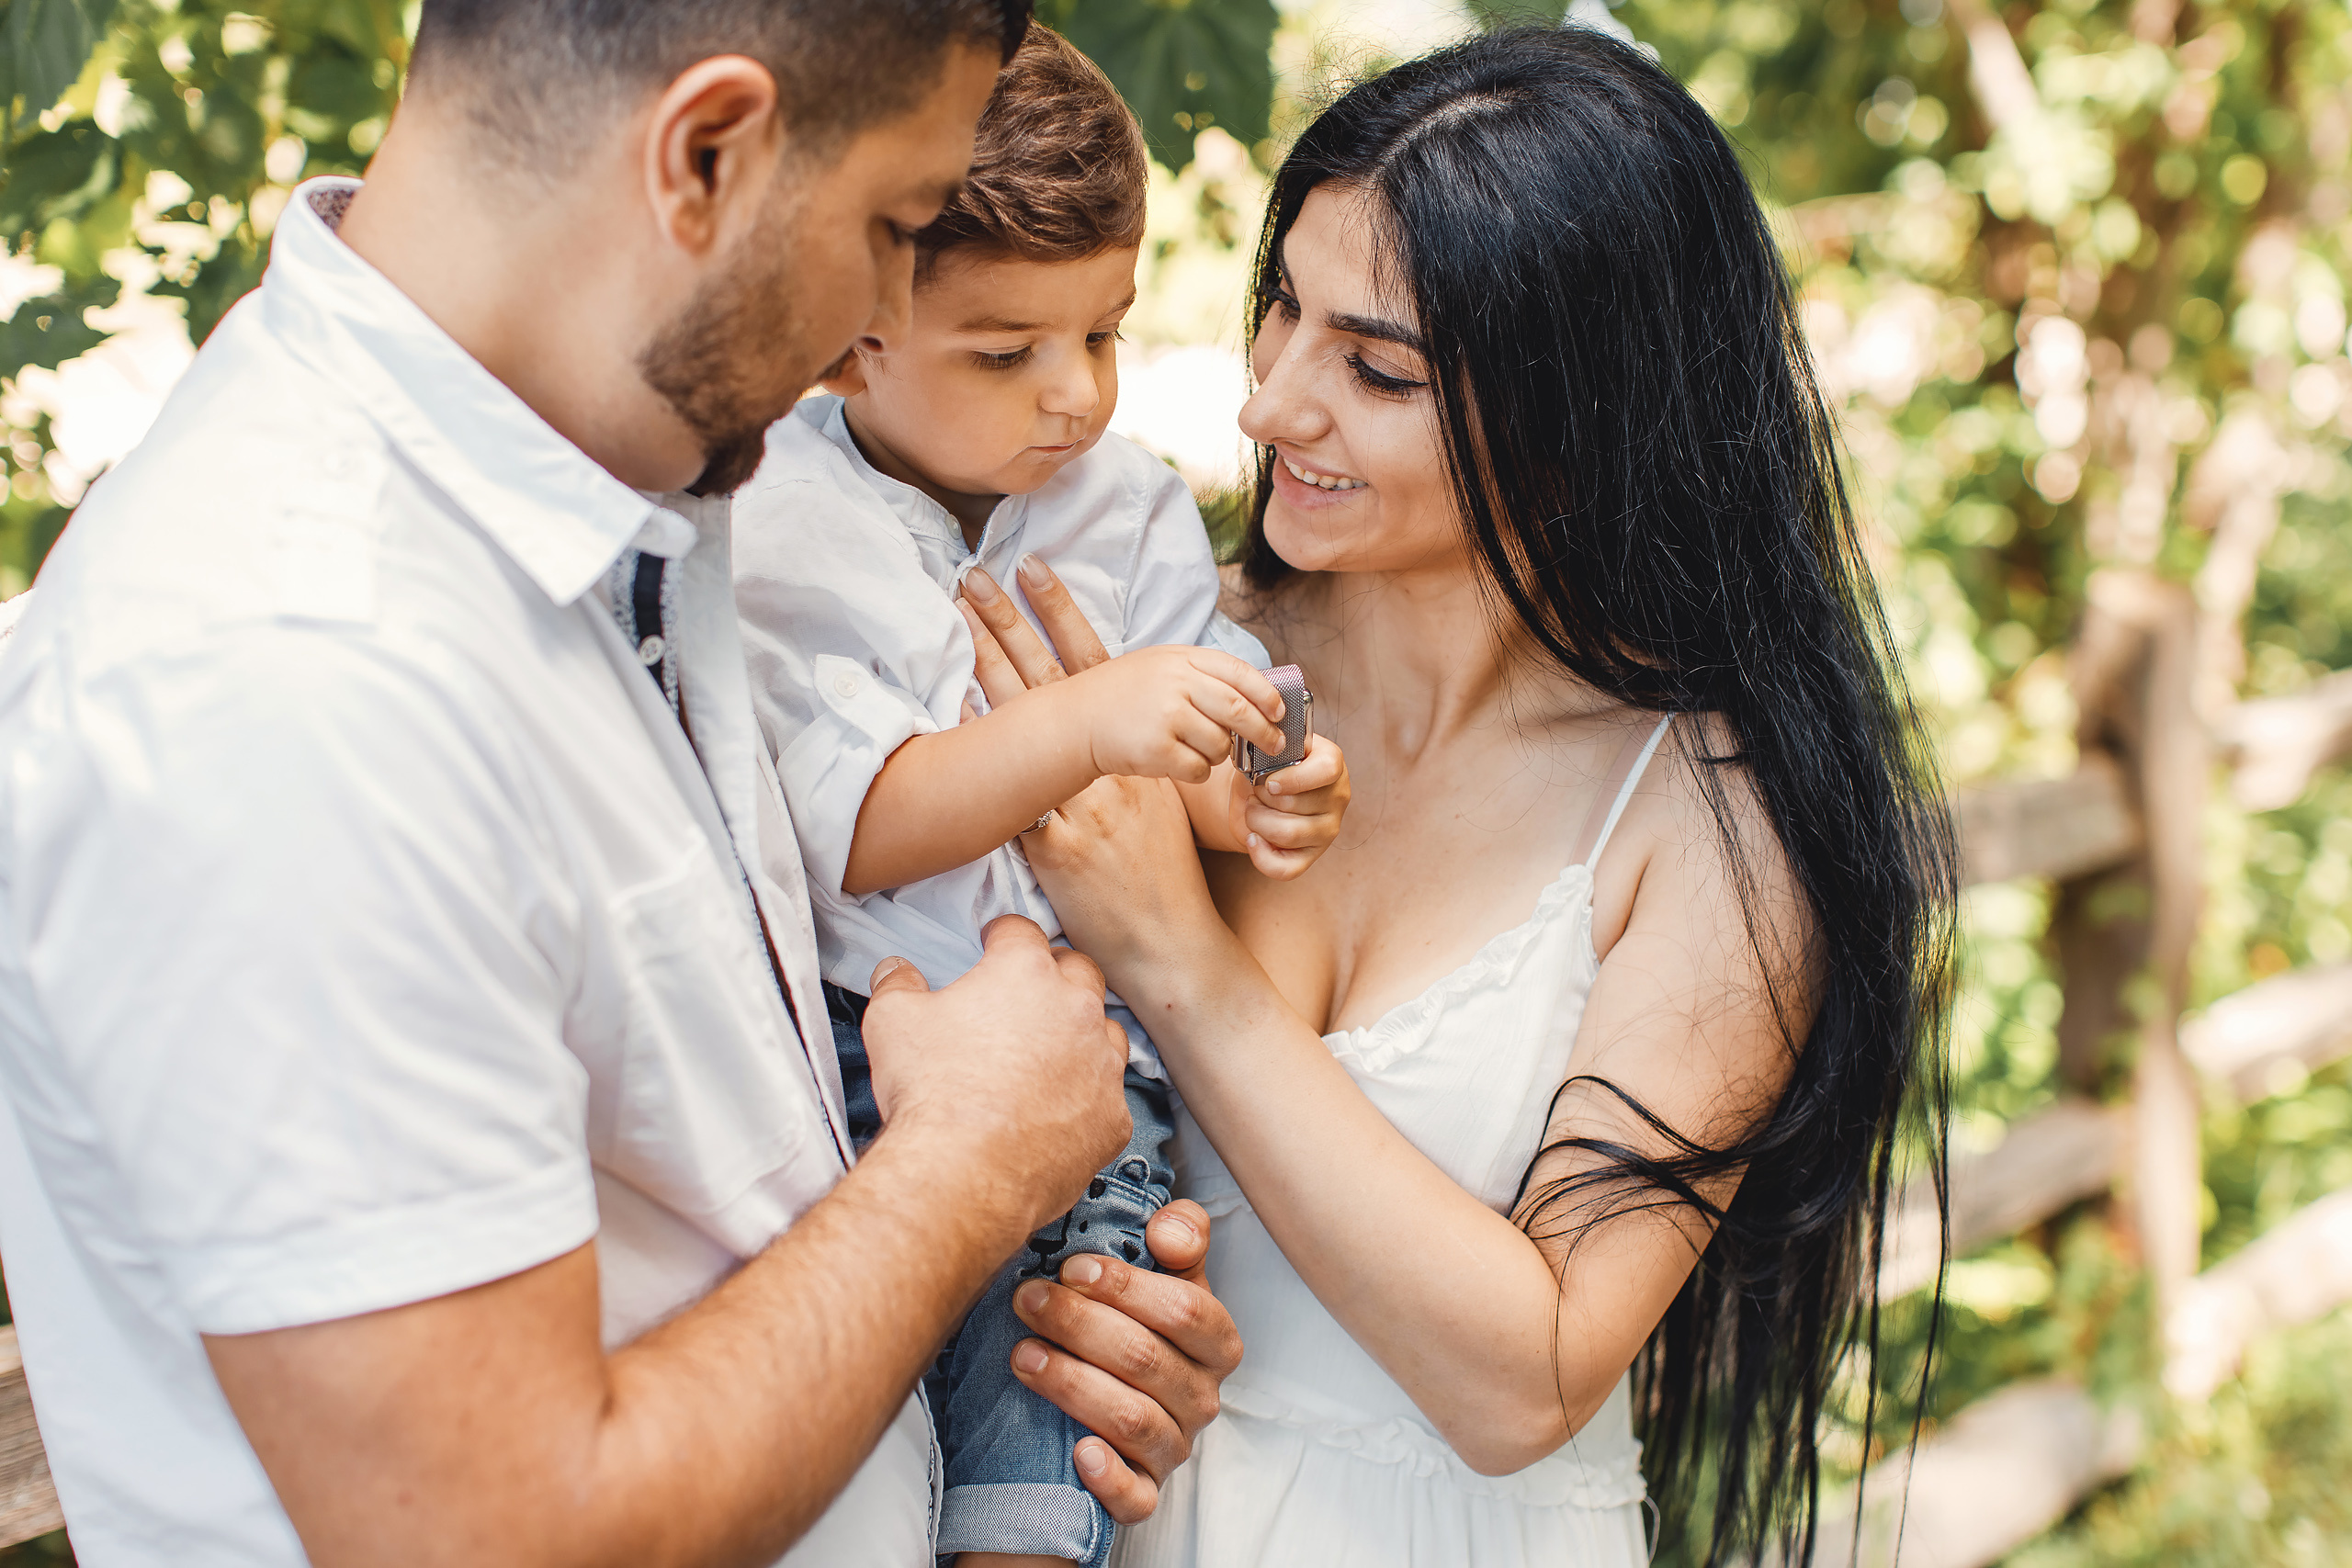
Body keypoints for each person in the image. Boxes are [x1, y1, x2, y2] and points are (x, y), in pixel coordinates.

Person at [0, 3, 1243, 1564]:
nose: (878, 321)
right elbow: (489, 1533)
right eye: (892, 228)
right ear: (705, 157)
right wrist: (969, 1174)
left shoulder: (607, 500)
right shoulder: (289, 675)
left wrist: (1042, 1335)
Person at [958, 26, 1957, 1568]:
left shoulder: (1713, 816)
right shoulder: (1143, 650)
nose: (1270, 405)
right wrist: (1048, 1311)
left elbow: (1531, 1379)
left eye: (1375, 369)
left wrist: (1179, 959)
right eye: (1279, 310)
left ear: (1585, 413)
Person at [730, 27, 1348, 1568]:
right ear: (850, 329)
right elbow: (858, 819)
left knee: (1046, 1445)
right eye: (1006, 351)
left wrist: (1252, 794)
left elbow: (1194, 729)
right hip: (869, 1090)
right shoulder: (782, 523)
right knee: (851, 1456)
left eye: (1107, 333)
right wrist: (1090, 721)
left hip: (1094, 1088)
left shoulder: (1119, 502)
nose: (1074, 394)